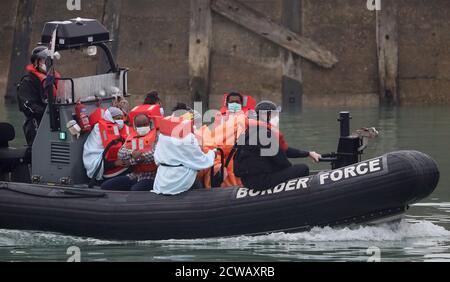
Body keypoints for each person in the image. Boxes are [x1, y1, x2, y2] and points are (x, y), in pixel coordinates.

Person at [233, 100, 322, 191]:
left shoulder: (248, 132)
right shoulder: (264, 134)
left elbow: (283, 150)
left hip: (247, 181)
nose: (277, 117)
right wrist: (290, 171)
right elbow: (282, 161)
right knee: (302, 168)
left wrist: (308, 153)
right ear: (267, 116)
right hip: (261, 181)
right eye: (275, 115)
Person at [152, 109, 216, 195]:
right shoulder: (189, 138)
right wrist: (212, 154)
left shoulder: (163, 135)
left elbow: (157, 159)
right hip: (181, 179)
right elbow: (200, 161)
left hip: (162, 180)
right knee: (199, 187)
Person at [16, 46, 61, 145]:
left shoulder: (53, 79)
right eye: (44, 60)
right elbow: (27, 106)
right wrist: (47, 112)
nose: (47, 63)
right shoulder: (28, 81)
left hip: (56, 121)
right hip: (36, 124)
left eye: (49, 61)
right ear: (36, 62)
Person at [101, 114, 157, 191]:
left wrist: (131, 161)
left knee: (135, 190)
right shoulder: (132, 136)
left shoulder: (157, 135)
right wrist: (132, 153)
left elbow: (153, 155)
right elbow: (120, 153)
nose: (142, 127)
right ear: (135, 126)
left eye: (145, 124)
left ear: (149, 124)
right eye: (139, 125)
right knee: (106, 186)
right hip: (135, 174)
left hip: (152, 176)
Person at [83, 107, 130, 182]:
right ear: (109, 117)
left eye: (121, 118)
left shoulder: (120, 129)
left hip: (120, 163)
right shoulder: (98, 129)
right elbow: (99, 157)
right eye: (117, 118)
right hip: (103, 166)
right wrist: (115, 163)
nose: (120, 121)